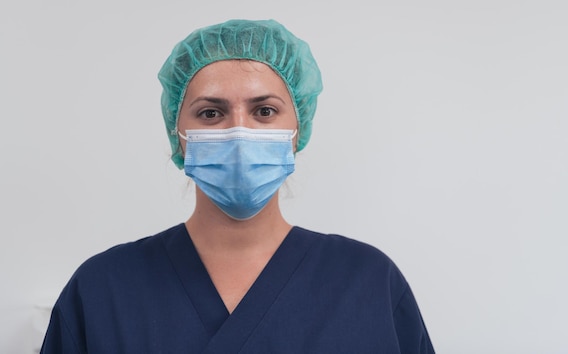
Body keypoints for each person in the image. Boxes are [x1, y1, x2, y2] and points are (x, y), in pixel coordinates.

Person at [40, 19, 435, 353]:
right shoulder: (103, 291)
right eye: (210, 113)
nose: (239, 131)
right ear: (178, 134)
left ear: (297, 130)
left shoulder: (369, 284)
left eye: (265, 111)